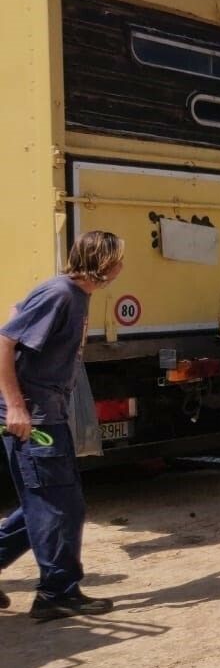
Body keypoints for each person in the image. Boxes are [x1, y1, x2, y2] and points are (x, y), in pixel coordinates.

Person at [0, 231, 124, 620]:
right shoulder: (61, 294)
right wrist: (15, 407)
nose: (122, 266)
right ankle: (56, 593)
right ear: (104, 263)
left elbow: (19, 318)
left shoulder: (74, 294)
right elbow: (4, 343)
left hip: (49, 413)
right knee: (55, 507)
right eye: (118, 259)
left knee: (53, 504)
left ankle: (56, 586)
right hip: (32, 418)